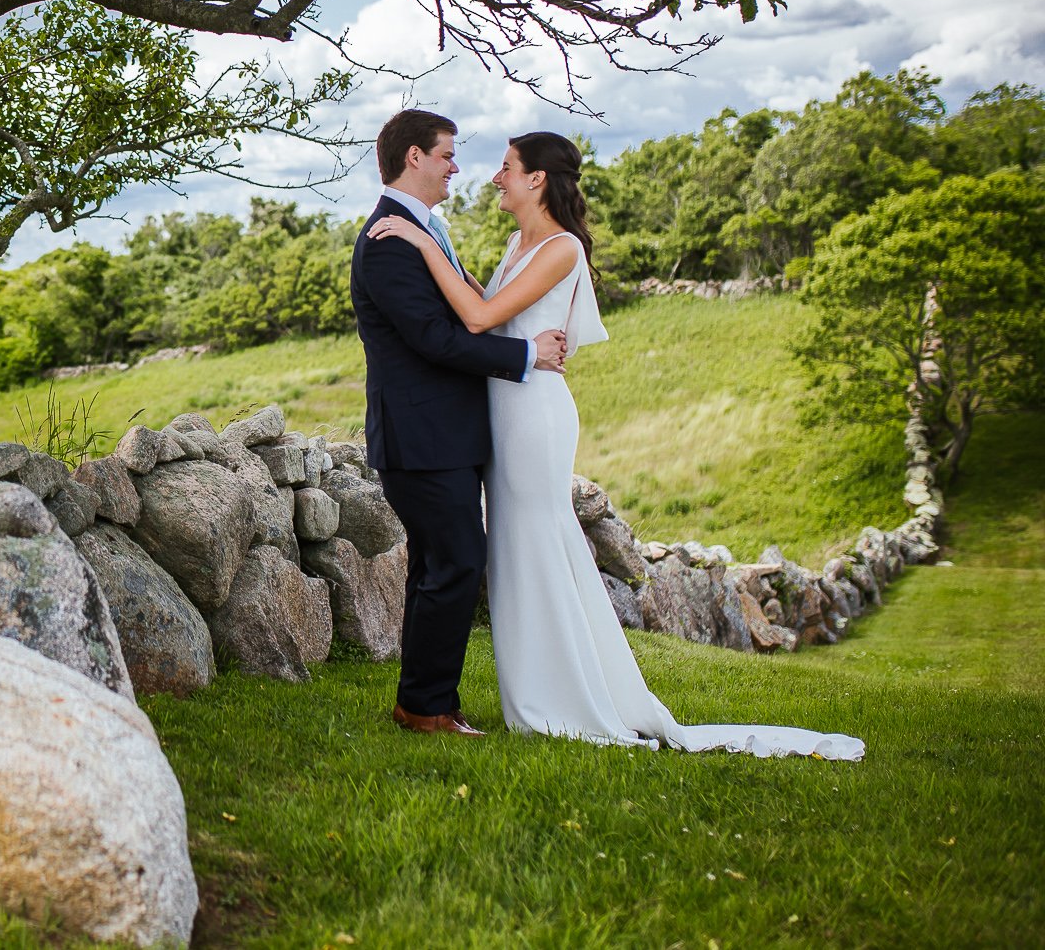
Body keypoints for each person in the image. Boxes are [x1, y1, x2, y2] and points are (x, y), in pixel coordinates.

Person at [368, 130, 864, 759]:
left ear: (537, 178)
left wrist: (422, 240)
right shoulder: (517, 245)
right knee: (518, 552)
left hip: (533, 415)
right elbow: (485, 304)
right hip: (503, 412)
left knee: (541, 544)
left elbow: (477, 318)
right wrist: (437, 246)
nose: (493, 177)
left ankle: (568, 694)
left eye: (506, 167)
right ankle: (528, 686)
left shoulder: (563, 247)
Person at [351, 110, 568, 737]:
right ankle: (428, 706)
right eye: (447, 154)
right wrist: (525, 355)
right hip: (421, 437)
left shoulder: (427, 229)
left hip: (445, 434)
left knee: (438, 565)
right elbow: (433, 339)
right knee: (457, 563)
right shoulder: (388, 242)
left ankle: (422, 703)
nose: (456, 167)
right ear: (414, 157)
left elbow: (469, 309)